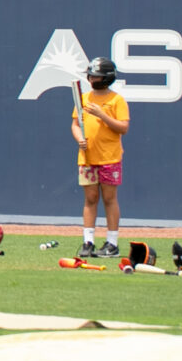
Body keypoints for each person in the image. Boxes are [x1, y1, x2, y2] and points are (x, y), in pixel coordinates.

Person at [71, 56, 131, 259]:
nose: (91, 78)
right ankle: (88, 241)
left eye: (95, 75)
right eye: (90, 75)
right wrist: (80, 138)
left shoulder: (116, 100)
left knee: (109, 198)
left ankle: (112, 243)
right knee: (90, 199)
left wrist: (102, 115)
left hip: (109, 158)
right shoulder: (84, 98)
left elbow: (123, 127)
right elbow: (75, 124)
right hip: (87, 158)